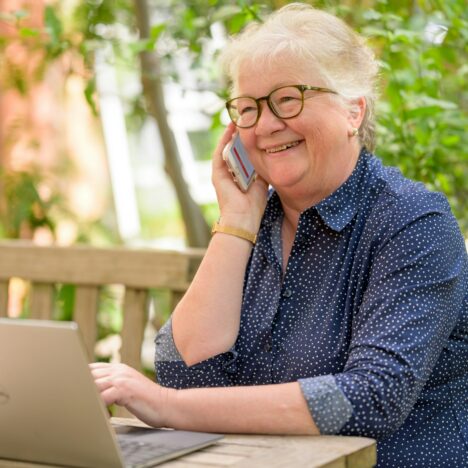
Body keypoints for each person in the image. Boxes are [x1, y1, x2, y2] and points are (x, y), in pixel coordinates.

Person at [90, 3, 468, 467]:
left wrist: (164, 407)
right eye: (248, 108)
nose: (267, 125)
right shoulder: (255, 225)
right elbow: (184, 373)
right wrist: (237, 221)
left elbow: (372, 396)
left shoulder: (413, 222)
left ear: (353, 111)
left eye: (287, 99)